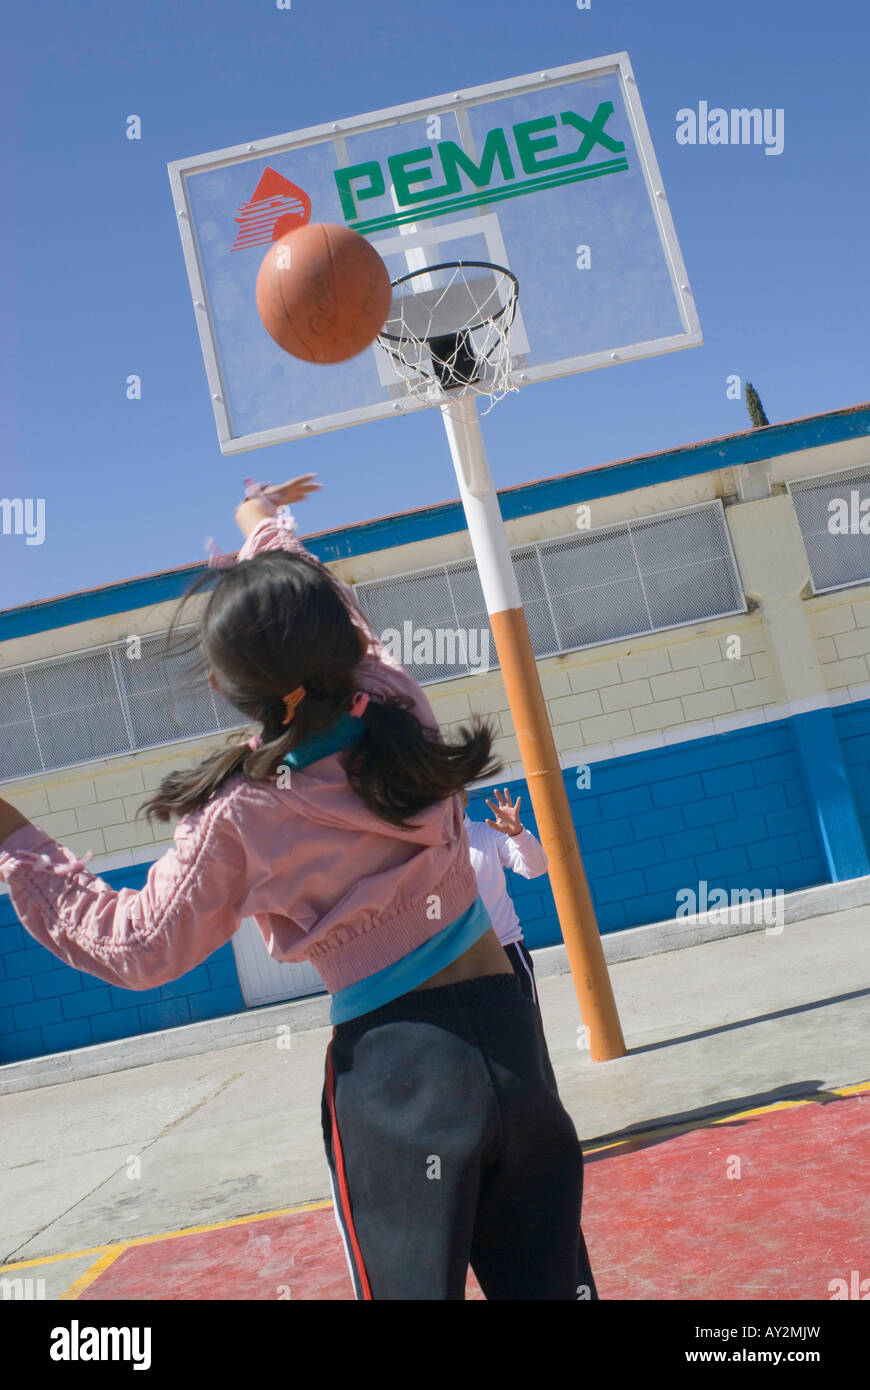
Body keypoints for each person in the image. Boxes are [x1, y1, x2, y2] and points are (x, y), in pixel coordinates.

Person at [0, 474, 597, 1302]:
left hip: (398, 1077)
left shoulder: (243, 815)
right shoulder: (394, 699)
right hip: (512, 1037)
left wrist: (14, 841)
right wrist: (263, 523)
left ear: (228, 690)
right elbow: (327, 612)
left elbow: (135, 946)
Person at [463, 787, 547, 1006]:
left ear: (463, 797)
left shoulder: (488, 833)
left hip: (506, 950)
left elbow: (535, 868)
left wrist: (517, 834)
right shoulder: (424, 850)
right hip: (456, 962)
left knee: (528, 1036)